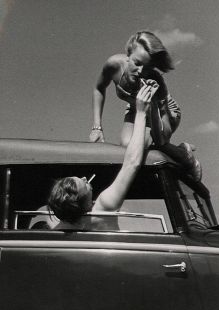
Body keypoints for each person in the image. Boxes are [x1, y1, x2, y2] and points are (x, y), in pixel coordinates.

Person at [89, 30, 201, 181]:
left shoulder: (157, 84)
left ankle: (184, 155)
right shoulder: (114, 65)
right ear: (128, 55)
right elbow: (99, 88)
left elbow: (162, 138)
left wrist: (153, 103)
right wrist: (97, 127)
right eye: (137, 63)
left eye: (148, 68)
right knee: (127, 146)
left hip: (163, 110)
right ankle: (178, 151)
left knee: (146, 145)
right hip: (136, 107)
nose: (141, 71)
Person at [48, 83, 152, 229]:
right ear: (83, 202)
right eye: (83, 183)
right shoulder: (103, 208)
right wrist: (141, 112)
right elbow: (131, 163)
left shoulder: (60, 228)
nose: (85, 178)